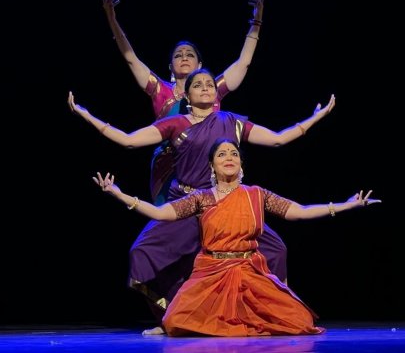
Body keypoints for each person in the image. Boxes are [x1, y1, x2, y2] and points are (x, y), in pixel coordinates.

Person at [68, 68, 336, 334]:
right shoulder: (176, 124)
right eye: (199, 85)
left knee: (276, 249)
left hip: (230, 206)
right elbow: (128, 141)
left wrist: (316, 117)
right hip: (187, 204)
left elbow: (277, 140)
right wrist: (86, 114)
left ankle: (263, 313)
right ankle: (172, 318)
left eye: (210, 84)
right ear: (187, 93)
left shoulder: (231, 122)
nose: (206, 88)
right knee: (142, 253)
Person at [92, 138, 381, 336]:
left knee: (299, 321)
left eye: (234, 154)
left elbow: (299, 212)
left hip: (249, 271)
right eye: (221, 154)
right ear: (212, 166)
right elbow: (161, 214)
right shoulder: (202, 199)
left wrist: (345, 205)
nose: (228, 158)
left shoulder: (256, 194)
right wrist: (119, 195)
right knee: (176, 321)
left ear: (241, 164)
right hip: (210, 274)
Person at [101, 0, 266, 205]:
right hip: (168, 169)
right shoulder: (160, 90)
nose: (184, 57)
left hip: (208, 167)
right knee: (170, 225)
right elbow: (131, 59)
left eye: (190, 54)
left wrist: (257, 20)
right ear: (171, 67)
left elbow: (243, 62)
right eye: (178, 55)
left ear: (200, 65)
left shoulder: (213, 89)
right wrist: (112, 19)